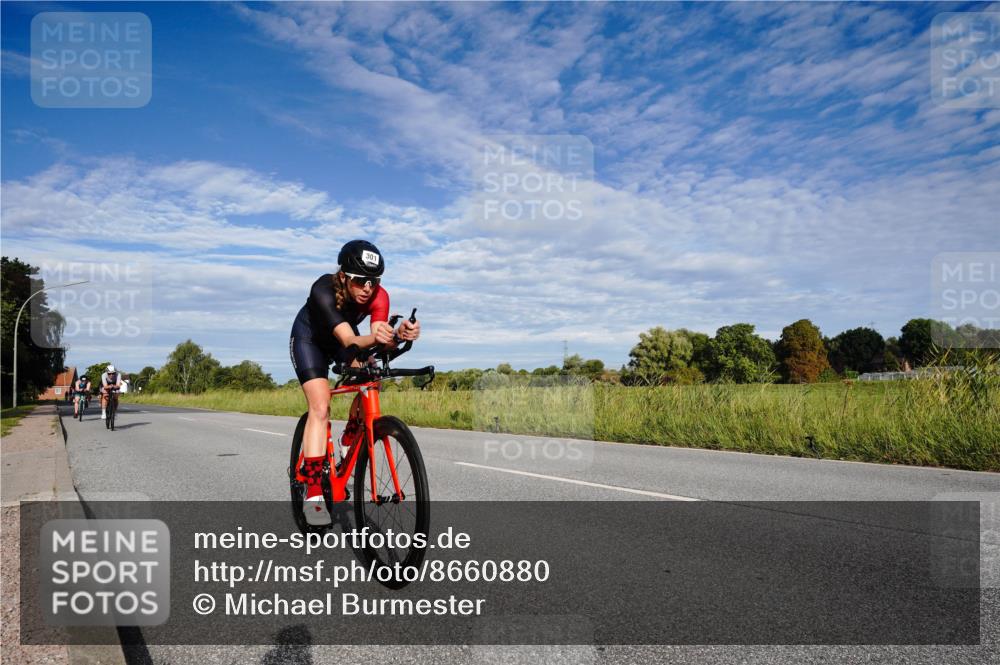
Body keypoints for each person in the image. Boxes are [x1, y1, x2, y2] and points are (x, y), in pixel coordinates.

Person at [289, 240, 420, 526]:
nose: (368, 288)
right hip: (310, 340)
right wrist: (381, 337)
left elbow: (376, 339)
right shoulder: (322, 289)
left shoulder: (379, 296)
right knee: (321, 406)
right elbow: (350, 339)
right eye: (360, 281)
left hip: (345, 341)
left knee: (371, 377)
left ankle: (350, 438)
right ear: (344, 277)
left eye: (374, 281)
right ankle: (313, 492)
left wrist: (399, 335)